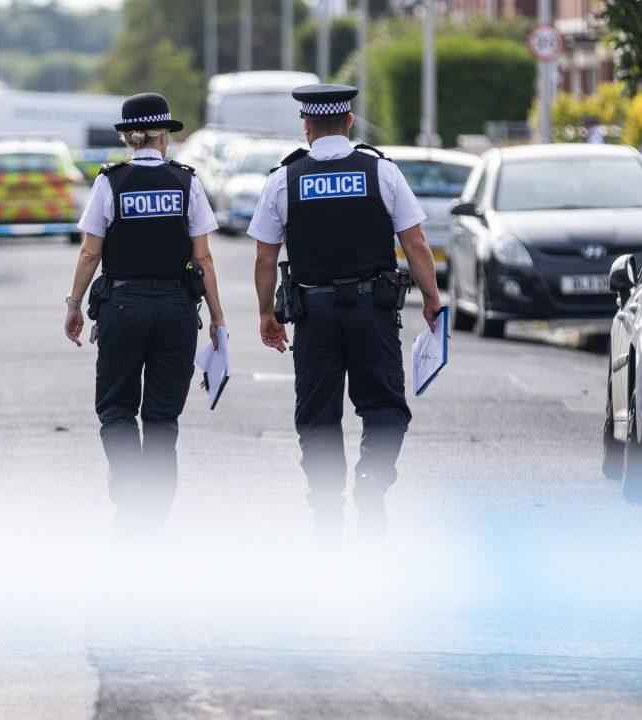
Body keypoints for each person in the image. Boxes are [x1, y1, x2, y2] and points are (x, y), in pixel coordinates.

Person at [247, 84, 442, 546]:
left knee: (317, 415)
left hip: (313, 314)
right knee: (384, 407)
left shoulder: (283, 178)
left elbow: (263, 258)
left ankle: (326, 507)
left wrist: (266, 315)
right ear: (349, 122)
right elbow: (414, 243)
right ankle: (373, 483)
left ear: (307, 127)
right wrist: (432, 299)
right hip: (373, 313)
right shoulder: (381, 171)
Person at [63, 92, 225, 538]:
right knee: (161, 417)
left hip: (121, 308)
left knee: (116, 407)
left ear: (128, 138)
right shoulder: (187, 183)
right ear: (164, 139)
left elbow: (91, 251)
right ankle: (153, 512)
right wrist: (217, 319)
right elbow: (204, 259)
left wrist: (75, 305)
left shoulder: (109, 183)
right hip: (175, 310)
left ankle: (129, 480)